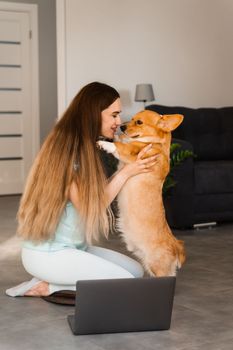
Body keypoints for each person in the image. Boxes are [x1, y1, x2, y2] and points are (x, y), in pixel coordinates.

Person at [6, 82, 157, 298]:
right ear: (94, 114)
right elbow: (92, 206)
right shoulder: (66, 152)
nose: (118, 122)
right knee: (126, 284)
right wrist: (127, 172)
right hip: (48, 254)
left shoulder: (85, 146)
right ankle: (49, 286)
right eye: (114, 115)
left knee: (135, 272)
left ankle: (57, 279)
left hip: (75, 249)